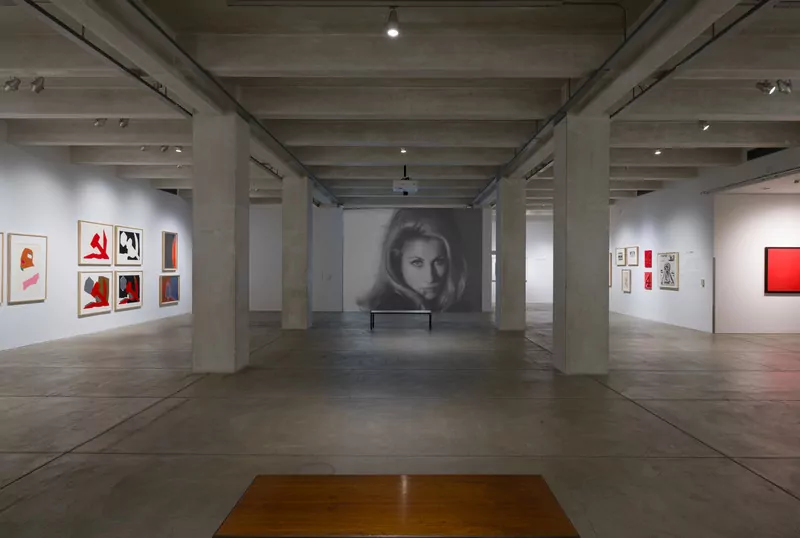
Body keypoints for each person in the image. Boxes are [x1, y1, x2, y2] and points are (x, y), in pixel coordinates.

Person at [358, 209, 469, 312]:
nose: (430, 278)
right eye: (417, 263)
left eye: (439, 261)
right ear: (396, 262)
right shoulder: (389, 312)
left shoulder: (457, 308)